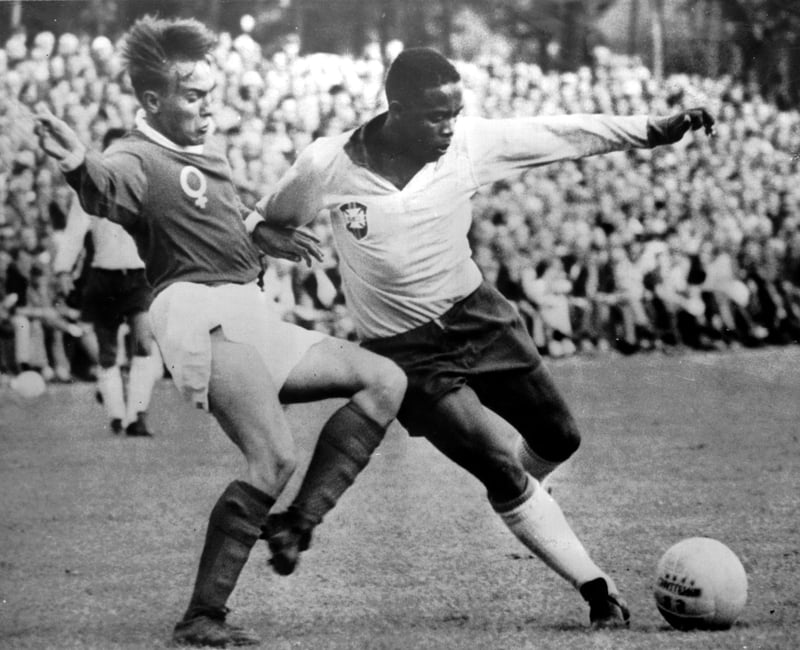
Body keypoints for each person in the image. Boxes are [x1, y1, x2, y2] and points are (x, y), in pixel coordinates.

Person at [251, 47, 716, 630]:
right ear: (396, 109)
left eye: (454, 113)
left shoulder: (467, 143)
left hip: (479, 318)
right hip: (406, 353)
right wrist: (267, 235)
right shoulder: (327, 163)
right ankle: (597, 588)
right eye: (434, 117)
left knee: (560, 437)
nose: (449, 128)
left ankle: (525, 500)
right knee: (499, 466)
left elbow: (561, 134)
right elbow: (267, 218)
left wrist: (651, 129)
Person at [34, 15, 406, 648]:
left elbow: (222, 218)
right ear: (153, 101)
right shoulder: (137, 155)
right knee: (274, 456)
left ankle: (296, 525)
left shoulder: (208, 152)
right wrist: (77, 163)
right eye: (193, 96)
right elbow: (106, 188)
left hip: (248, 309)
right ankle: (202, 616)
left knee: (384, 379)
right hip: (194, 310)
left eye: (211, 93)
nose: (208, 106)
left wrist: (264, 235)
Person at [52, 127, 163, 437]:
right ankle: (116, 415)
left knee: (143, 342)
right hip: (103, 275)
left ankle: (137, 415)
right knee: (107, 351)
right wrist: (63, 270)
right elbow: (75, 232)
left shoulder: (146, 187)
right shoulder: (89, 188)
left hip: (138, 275)